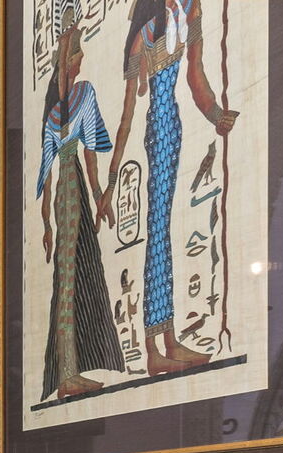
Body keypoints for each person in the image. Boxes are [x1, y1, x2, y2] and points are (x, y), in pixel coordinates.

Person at [97, 0, 239, 374]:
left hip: (172, 129)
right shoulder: (143, 38)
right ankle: (153, 347)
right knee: (157, 233)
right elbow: (126, 118)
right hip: (157, 132)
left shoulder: (190, 13)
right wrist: (111, 184)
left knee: (163, 234)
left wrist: (216, 116)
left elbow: (196, 75)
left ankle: (170, 339)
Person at [37, 14, 122, 401]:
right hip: (68, 196)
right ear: (67, 60)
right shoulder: (64, 106)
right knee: (67, 280)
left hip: (70, 195)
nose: (83, 56)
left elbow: (80, 160)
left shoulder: (73, 101)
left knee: (71, 276)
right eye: (78, 50)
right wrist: (47, 226)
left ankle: (71, 370)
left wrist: (100, 194)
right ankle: (67, 374)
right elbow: (52, 170)